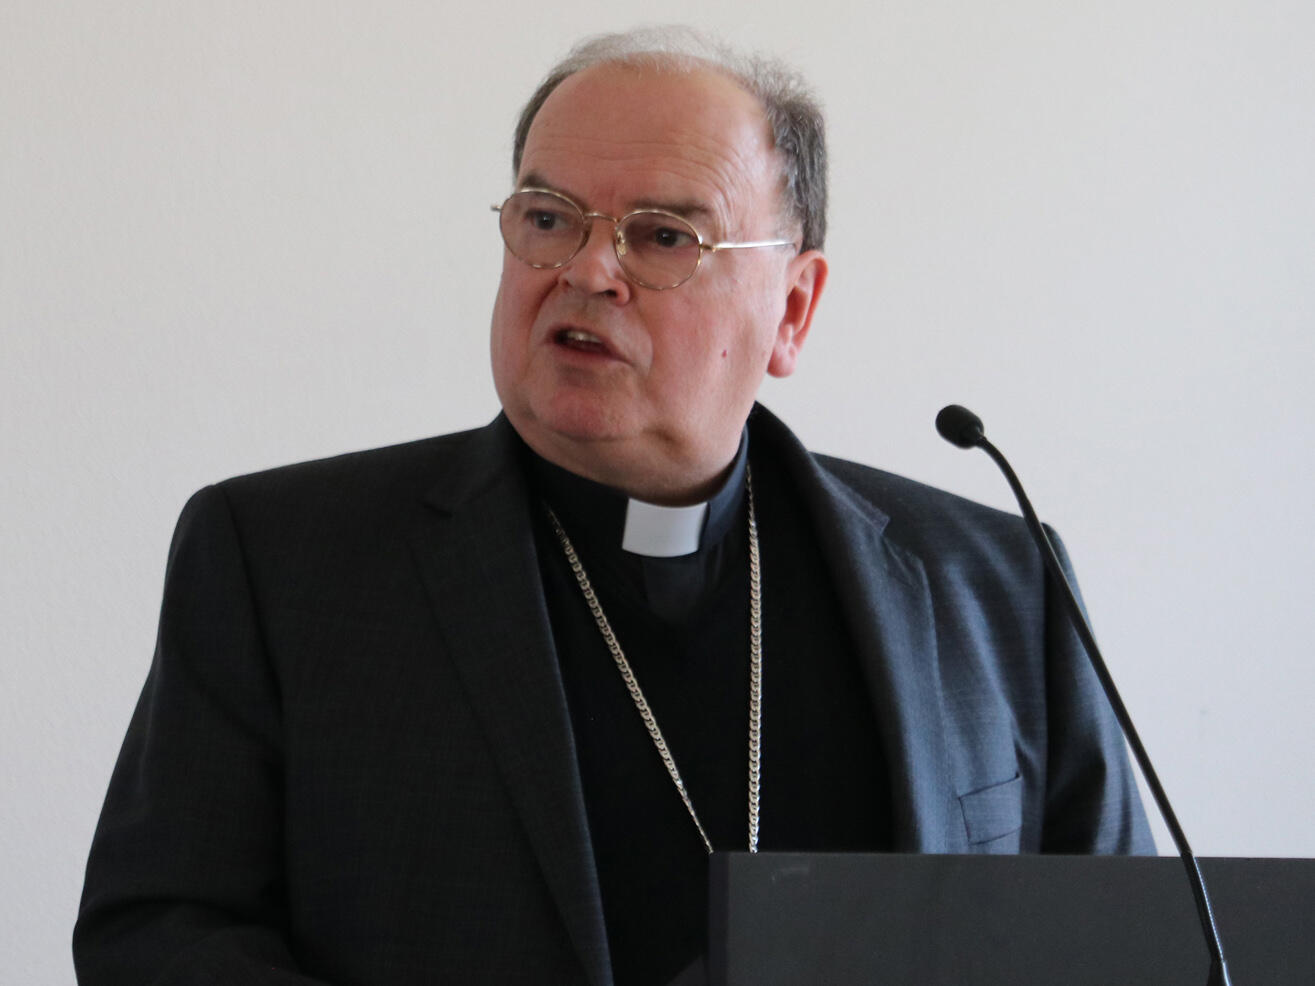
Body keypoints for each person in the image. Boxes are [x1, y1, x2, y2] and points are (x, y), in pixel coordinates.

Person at [74, 26, 1153, 986]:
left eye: (663, 235)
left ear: (793, 306)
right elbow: (157, 934)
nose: (588, 269)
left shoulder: (998, 582)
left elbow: (1130, 942)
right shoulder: (282, 560)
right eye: (548, 217)